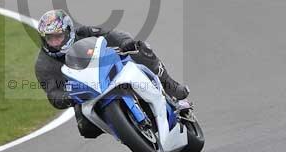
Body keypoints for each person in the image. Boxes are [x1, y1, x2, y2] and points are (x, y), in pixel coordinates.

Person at [33, 9, 190, 139]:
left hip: (108, 69)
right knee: (86, 129)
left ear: (68, 32)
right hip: (84, 92)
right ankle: (126, 129)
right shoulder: (43, 65)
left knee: (140, 49)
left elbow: (109, 33)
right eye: (50, 38)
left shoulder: (83, 32)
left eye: (58, 36)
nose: (55, 42)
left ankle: (171, 87)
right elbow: (53, 92)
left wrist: (125, 42)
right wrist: (67, 97)